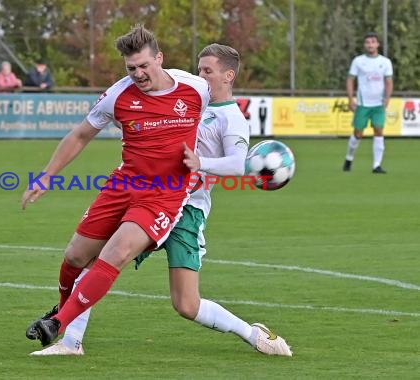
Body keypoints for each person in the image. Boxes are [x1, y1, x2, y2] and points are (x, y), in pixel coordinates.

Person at [29, 44, 292, 357]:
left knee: (186, 304)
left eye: (208, 71)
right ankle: (69, 340)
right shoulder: (192, 96)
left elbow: (238, 164)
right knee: (97, 257)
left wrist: (201, 163)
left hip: (190, 210)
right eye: (200, 69)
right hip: (153, 198)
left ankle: (253, 334)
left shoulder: (232, 118)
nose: (202, 76)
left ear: (228, 75)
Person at [21, 25, 210, 347]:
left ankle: (57, 322)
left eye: (144, 66)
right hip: (123, 184)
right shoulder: (117, 95)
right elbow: (80, 135)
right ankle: (63, 308)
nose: (138, 74)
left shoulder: (196, 89)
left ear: (159, 58)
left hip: (165, 194)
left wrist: (217, 164)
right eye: (131, 68)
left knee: (117, 252)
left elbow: (221, 118)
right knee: (75, 257)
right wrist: (47, 174)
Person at [343, 32, 393, 174]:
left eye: (373, 42)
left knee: (379, 131)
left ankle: (376, 165)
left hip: (378, 104)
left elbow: (389, 81)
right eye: (368, 42)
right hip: (363, 104)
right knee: (358, 133)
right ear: (365, 45)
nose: (370, 45)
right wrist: (350, 98)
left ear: (377, 44)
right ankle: (349, 157)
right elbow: (350, 79)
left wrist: (387, 98)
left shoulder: (385, 62)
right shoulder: (358, 61)